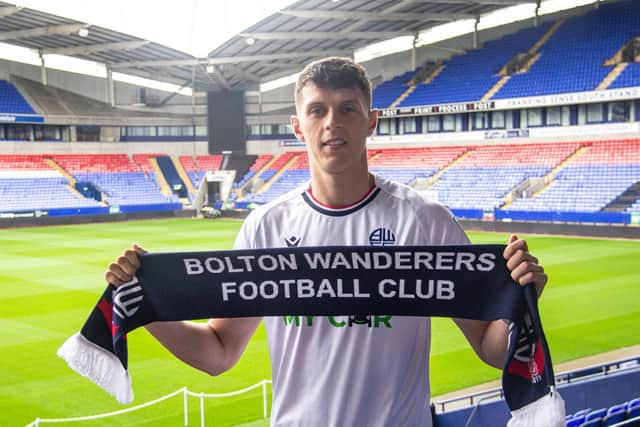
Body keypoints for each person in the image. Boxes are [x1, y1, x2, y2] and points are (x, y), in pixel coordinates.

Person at [105, 57, 547, 427]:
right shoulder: (267, 228)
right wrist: (146, 306)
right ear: (298, 126)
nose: (332, 122)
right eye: (318, 110)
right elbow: (219, 353)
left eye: (347, 108)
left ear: (371, 120)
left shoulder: (425, 221)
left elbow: (490, 350)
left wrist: (519, 301)